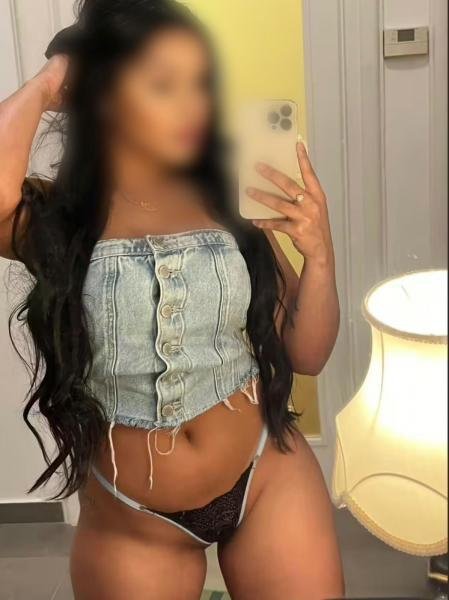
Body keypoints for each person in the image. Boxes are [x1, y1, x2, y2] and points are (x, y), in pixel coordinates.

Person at [0, 1, 343, 598]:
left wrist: (320, 255)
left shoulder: (230, 200)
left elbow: (308, 354)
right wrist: (53, 79)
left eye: (199, 83)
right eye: (163, 84)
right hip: (131, 518)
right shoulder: (58, 219)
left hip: (266, 475)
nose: (192, 106)